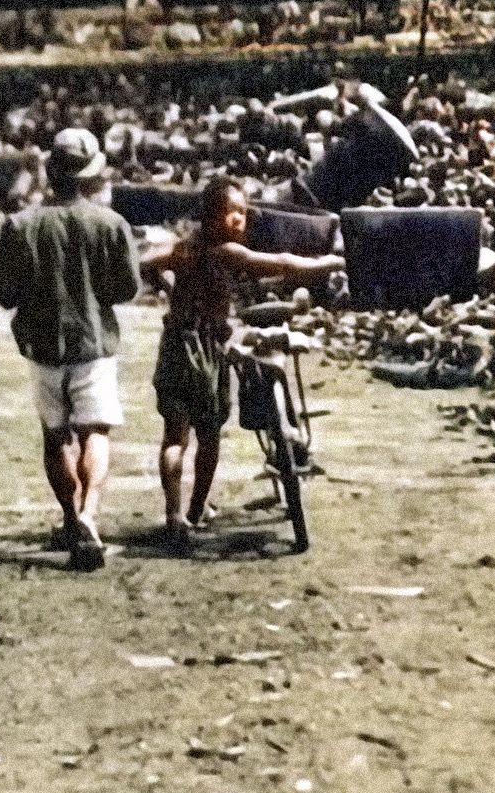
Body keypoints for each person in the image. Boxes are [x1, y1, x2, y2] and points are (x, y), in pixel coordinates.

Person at [139, 179, 345, 547]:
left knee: (175, 435)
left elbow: (146, 264)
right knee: (208, 435)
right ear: (213, 216)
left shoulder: (183, 249)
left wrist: (169, 290)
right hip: (205, 347)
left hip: (175, 342)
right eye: (233, 212)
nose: (241, 219)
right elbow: (280, 263)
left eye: (243, 212)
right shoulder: (226, 252)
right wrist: (330, 263)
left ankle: (174, 515)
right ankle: (195, 510)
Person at [0, 127, 140, 570]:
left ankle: (70, 518)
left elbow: (4, 292)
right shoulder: (112, 225)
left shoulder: (20, 225)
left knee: (55, 437)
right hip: (93, 343)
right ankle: (90, 512)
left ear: (50, 174)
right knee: (96, 431)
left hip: (42, 345)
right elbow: (126, 288)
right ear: (92, 177)